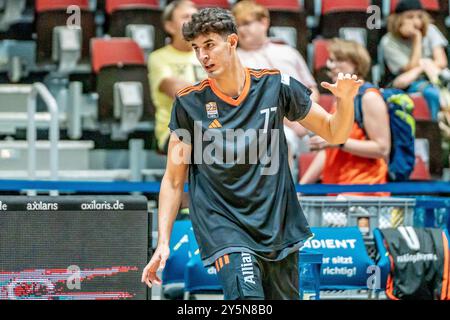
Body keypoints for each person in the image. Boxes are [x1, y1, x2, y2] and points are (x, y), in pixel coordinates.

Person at [141, 8, 362, 300]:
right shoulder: (189, 103)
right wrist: (163, 241)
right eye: (197, 49)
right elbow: (172, 180)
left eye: (210, 45)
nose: (203, 56)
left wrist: (345, 101)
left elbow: (335, 133)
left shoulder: (276, 85)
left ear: (232, 42)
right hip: (224, 226)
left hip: (277, 225)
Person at [232, 0, 319, 168]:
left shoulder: (288, 52)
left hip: (305, 121)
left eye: (247, 23)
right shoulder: (235, 61)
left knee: (332, 139)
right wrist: (290, 121)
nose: (242, 30)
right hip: (263, 126)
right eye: (238, 26)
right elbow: (250, 101)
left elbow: (312, 89)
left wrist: (305, 117)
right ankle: (286, 193)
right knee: (281, 138)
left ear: (264, 22)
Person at [300, 39, 390, 196]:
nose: (330, 66)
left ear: (356, 63)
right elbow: (329, 150)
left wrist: (338, 141)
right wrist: (300, 189)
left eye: (338, 61)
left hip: (364, 193)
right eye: (330, 60)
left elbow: (382, 148)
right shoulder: (340, 99)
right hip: (336, 192)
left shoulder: (369, 98)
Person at [148, 0, 206, 154]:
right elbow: (180, 92)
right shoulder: (159, 57)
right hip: (175, 131)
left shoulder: (210, 54)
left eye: (196, 17)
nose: (193, 22)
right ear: (169, 26)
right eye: (186, 17)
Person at [380, 0, 448, 121]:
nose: (416, 21)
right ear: (398, 19)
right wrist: (417, 38)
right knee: (432, 94)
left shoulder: (431, 30)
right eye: (410, 17)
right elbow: (410, 68)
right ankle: (434, 130)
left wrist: (424, 66)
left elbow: (442, 62)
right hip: (410, 82)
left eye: (419, 16)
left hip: (437, 76)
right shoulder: (388, 42)